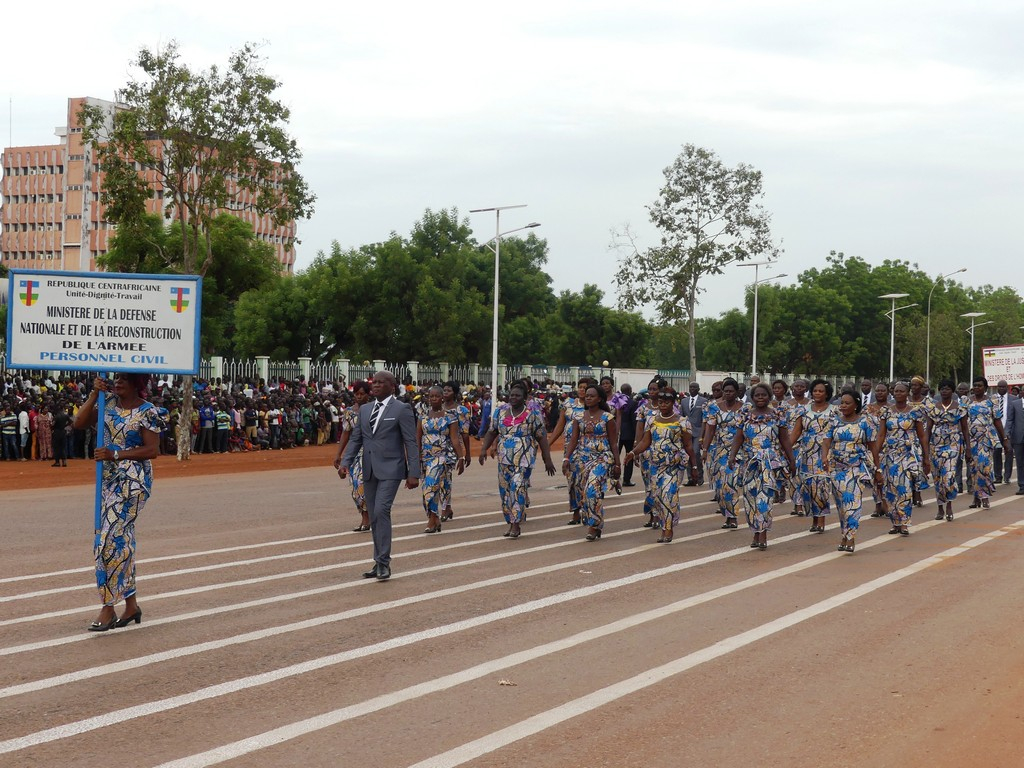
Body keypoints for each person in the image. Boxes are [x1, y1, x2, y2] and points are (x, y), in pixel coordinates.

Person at [74, 373, 161, 631]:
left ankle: (108, 608)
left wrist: (116, 453)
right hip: (108, 481)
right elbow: (79, 423)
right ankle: (131, 606)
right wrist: (93, 394)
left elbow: (152, 450)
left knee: (107, 540)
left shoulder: (148, 411)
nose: (117, 382)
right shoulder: (108, 402)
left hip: (133, 482)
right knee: (123, 540)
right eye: (116, 379)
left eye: (123, 379)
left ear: (136, 384)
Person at [339, 371, 421, 581]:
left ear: (391, 386)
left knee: (382, 511)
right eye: (373, 382)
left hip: (392, 469)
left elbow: (410, 442)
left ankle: (384, 563)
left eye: (380, 383)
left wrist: (413, 473)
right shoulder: (365, 410)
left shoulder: (401, 409)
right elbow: (356, 439)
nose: (375, 386)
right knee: (374, 515)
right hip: (369, 469)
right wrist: (345, 462)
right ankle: (378, 562)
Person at [479, 380, 557, 538]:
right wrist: (483, 449)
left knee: (517, 487)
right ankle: (511, 520)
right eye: (511, 395)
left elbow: (541, 437)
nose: (513, 397)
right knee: (505, 491)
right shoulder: (499, 412)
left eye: (517, 395)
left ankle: (516, 525)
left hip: (524, 458)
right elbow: (492, 431)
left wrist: (546, 458)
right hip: (504, 459)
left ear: (524, 397)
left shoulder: (533, 415)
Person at [728, 383, 795, 551]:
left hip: (769, 463)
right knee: (750, 499)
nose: (760, 398)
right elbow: (738, 437)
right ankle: (755, 532)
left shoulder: (778, 414)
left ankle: (763, 533)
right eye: (757, 395)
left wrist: (791, 460)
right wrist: (732, 455)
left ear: (769, 397)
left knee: (765, 499)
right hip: (749, 462)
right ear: (752, 397)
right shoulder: (744, 414)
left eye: (763, 395)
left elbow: (784, 439)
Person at [625, 387, 693, 542]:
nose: (663, 404)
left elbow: (688, 445)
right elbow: (645, 441)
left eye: (667, 401)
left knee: (669, 495)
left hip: (674, 466)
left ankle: (667, 529)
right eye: (661, 401)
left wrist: (694, 467)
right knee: (657, 497)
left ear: (673, 402)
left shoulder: (682, 422)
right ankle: (663, 523)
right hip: (655, 465)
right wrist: (632, 453)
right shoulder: (652, 420)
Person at [562, 384, 620, 541]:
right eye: (587, 395)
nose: (588, 398)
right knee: (583, 493)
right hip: (582, 458)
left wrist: (617, 464)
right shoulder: (579, 417)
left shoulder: (608, 417)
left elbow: (614, 442)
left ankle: (593, 525)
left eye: (591, 396)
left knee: (591, 490)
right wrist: (566, 458)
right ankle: (595, 521)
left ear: (599, 399)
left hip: (603, 458)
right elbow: (573, 440)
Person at [822, 391, 877, 553]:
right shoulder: (833, 421)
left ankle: (851, 537)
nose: (843, 406)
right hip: (837, 468)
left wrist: (878, 469)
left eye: (847, 403)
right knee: (841, 505)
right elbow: (826, 441)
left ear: (856, 405)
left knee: (853, 503)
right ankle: (844, 535)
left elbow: (873, 447)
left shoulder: (865, 422)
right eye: (842, 403)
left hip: (856, 468)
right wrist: (824, 457)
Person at [876, 381, 931, 535]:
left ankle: (905, 522)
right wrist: (875, 455)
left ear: (907, 393)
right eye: (896, 391)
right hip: (890, 455)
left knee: (905, 489)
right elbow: (881, 434)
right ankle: (895, 523)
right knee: (891, 490)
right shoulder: (886, 411)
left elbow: (922, 435)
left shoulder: (915, 411)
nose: (898, 393)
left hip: (908, 455)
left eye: (901, 391)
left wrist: (926, 457)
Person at [790, 379, 836, 533]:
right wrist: (786, 448)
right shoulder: (803, 410)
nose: (817, 393)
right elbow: (797, 431)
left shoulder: (834, 410)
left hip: (825, 453)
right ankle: (814, 518)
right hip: (807, 453)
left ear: (827, 393)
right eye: (815, 391)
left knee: (821, 486)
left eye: (821, 391)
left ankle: (821, 519)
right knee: (809, 487)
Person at [418, 386, 465, 534]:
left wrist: (461, 457)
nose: (433, 399)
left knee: (431, 486)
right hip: (426, 457)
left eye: (436, 396)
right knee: (427, 490)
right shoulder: (423, 416)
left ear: (442, 398)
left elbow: (454, 439)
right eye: (430, 396)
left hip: (442, 457)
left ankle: (432, 520)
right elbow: (417, 438)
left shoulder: (449, 417)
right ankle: (434, 517)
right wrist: (415, 457)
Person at [701, 377, 744, 529]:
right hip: (719, 451)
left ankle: (733, 517)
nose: (728, 394)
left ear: (737, 392)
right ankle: (727, 514)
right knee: (720, 486)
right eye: (726, 391)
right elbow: (710, 430)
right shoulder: (715, 408)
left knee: (730, 483)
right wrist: (705, 449)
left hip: (738, 451)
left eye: (731, 391)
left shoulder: (745, 408)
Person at [927, 379, 972, 520]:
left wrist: (968, 447)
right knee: (937, 477)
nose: (944, 391)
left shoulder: (959, 408)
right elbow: (928, 429)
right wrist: (924, 449)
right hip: (936, 444)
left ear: (952, 391)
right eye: (942, 389)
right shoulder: (933, 408)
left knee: (949, 475)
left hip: (953, 444)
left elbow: (964, 428)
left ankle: (949, 505)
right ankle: (940, 507)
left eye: (947, 388)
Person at [964, 376, 1008, 510]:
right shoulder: (966, 401)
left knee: (984, 466)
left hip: (986, 439)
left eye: (980, 386)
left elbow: (997, 421)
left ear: (985, 388)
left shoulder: (991, 401)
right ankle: (976, 497)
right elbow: (962, 422)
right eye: (975, 385)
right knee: (973, 468)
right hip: (971, 439)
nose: (977, 388)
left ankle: (984, 496)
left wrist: (1004, 439)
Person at [334, 381, 371, 532]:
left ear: (368, 395)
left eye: (362, 394)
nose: (359, 396)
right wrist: (339, 455)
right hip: (355, 455)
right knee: (356, 486)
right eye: (357, 394)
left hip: (370, 453)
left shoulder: (373, 410)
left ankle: (369, 517)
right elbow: (346, 433)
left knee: (365, 486)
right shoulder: (349, 412)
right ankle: (365, 517)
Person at [440, 381, 472, 522]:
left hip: (451, 449)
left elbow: (465, 434)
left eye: (448, 390)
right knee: (438, 479)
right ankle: (446, 507)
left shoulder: (461, 411)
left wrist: (466, 454)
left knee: (445, 478)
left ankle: (445, 508)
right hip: (436, 448)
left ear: (455, 393)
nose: (445, 393)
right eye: (444, 390)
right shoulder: (437, 408)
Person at [680, 382, 706, 485]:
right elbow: (681, 416)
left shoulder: (704, 401)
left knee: (695, 452)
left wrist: (702, 435)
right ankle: (691, 478)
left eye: (694, 387)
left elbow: (705, 418)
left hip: (698, 431)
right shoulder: (684, 401)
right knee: (687, 454)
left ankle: (699, 476)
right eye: (691, 387)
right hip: (686, 432)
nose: (692, 389)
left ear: (698, 389)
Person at [1002, 386, 1024, 497]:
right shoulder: (1015, 404)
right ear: (1022, 392)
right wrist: (1007, 434)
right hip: (1018, 437)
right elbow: (1010, 420)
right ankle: (1022, 485)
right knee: (1020, 462)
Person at [616, 384, 639, 486]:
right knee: (629, 456)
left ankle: (613, 477)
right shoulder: (633, 403)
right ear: (630, 391)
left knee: (615, 455)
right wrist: (636, 434)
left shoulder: (616, 401)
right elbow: (634, 420)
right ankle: (626, 479)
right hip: (629, 433)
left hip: (617, 432)